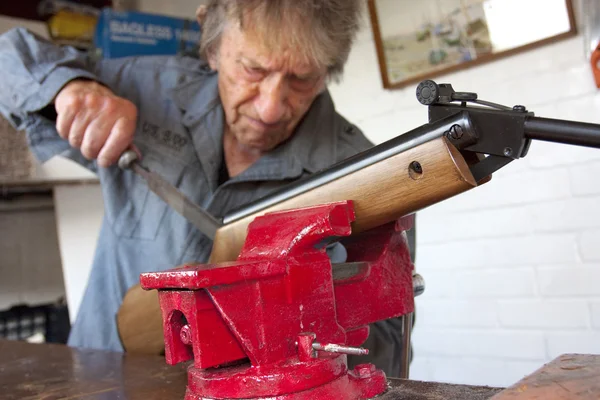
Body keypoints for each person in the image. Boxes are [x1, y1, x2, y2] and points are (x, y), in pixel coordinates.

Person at [0, 0, 411, 376]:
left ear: (328, 69)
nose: (269, 108)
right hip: (95, 374)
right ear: (212, 47)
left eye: (302, 79)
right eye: (252, 70)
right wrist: (71, 89)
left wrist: (295, 315)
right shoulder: (147, 88)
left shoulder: (367, 177)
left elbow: (390, 352)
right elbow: (9, 57)